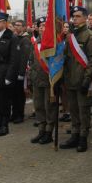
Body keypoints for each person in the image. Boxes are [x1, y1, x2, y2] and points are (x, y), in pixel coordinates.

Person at [60, 6, 92, 152]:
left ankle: (83, 137)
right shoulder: (70, 36)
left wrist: (86, 80)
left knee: (83, 111)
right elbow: (65, 57)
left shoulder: (89, 36)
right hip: (70, 80)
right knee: (73, 110)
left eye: (77, 16)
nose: (74, 19)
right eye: (73, 16)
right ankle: (74, 135)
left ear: (85, 18)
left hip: (82, 80)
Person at [30, 16, 58, 144]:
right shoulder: (36, 42)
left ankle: (48, 132)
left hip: (48, 81)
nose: (41, 28)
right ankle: (41, 130)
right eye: (40, 26)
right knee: (39, 106)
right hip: (37, 80)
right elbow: (31, 60)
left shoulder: (53, 43)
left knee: (49, 107)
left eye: (44, 26)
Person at [11, 20, 32, 124]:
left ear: (24, 28)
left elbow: (24, 57)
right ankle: (14, 113)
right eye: (15, 25)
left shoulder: (25, 40)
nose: (16, 27)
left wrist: (21, 73)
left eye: (19, 25)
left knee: (20, 95)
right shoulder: (15, 38)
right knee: (14, 94)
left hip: (21, 71)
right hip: (14, 70)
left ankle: (20, 115)